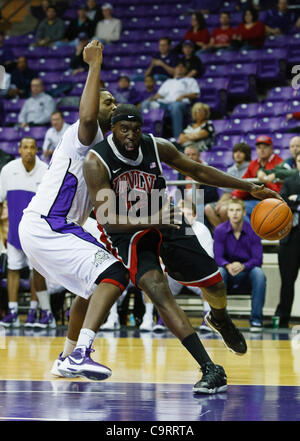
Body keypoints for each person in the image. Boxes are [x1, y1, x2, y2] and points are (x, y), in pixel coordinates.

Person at [83, 103, 281, 393]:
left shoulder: (155, 146)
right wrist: (152, 219)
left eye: (136, 129)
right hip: (126, 231)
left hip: (162, 216)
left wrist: (247, 186)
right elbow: (107, 217)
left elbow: (199, 170)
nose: (131, 135)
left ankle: (220, 318)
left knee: (214, 283)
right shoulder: (96, 160)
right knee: (157, 287)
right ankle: (210, 368)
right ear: (112, 129)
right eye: (124, 129)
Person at [19, 41, 129, 381]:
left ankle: (67, 358)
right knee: (115, 274)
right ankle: (81, 353)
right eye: (107, 100)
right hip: (48, 224)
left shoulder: (102, 150)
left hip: (51, 227)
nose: (113, 105)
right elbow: (86, 113)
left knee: (92, 287)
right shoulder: (86, 131)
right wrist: (94, 65)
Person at [0, 137, 56, 328]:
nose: (29, 151)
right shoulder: (8, 170)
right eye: (25, 147)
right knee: (13, 269)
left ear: (37, 150)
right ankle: (13, 311)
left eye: (32, 147)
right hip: (15, 232)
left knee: (37, 272)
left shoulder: (46, 170)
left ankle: (34, 310)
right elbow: (0, 202)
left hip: (37, 233)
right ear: (19, 150)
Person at [214, 198, 266, 332]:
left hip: (246, 273)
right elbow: (218, 257)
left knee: (259, 273)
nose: (235, 213)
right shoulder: (219, 230)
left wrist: (243, 266)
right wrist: (228, 265)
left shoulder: (253, 230)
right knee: (219, 271)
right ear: (228, 213)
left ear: (243, 212)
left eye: (238, 210)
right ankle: (221, 321)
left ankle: (256, 320)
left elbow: (258, 259)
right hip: (227, 273)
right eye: (231, 210)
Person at [274, 150, 300, 328]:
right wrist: (291, 202)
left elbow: (291, 202)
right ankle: (282, 320)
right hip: (291, 237)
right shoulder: (289, 181)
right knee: (287, 281)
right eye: (299, 160)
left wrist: (296, 199)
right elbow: (282, 205)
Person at [232, 135, 283, 220]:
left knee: (240, 210)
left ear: (271, 148)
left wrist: (265, 180)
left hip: (272, 201)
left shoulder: (279, 162)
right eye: (259, 147)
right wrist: (235, 197)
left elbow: (279, 190)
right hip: (252, 200)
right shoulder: (253, 164)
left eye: (265, 147)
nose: (262, 150)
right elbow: (244, 183)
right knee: (233, 208)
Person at [205, 142, 251, 229]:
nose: (237, 154)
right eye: (235, 152)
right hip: (230, 199)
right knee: (208, 208)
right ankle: (223, 234)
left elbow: (244, 193)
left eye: (241, 152)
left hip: (244, 199)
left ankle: (233, 235)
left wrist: (225, 203)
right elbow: (227, 192)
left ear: (246, 154)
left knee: (224, 210)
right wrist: (219, 203)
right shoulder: (231, 170)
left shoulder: (250, 168)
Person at [148, 61, 200, 138]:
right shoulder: (168, 81)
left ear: (186, 70)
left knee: (175, 107)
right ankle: (151, 137)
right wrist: (153, 99)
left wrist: (183, 96)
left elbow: (196, 94)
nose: (179, 68)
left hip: (182, 104)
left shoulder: (190, 80)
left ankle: (178, 138)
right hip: (166, 104)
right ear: (174, 69)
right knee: (147, 104)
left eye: (182, 67)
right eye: (177, 67)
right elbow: (158, 95)